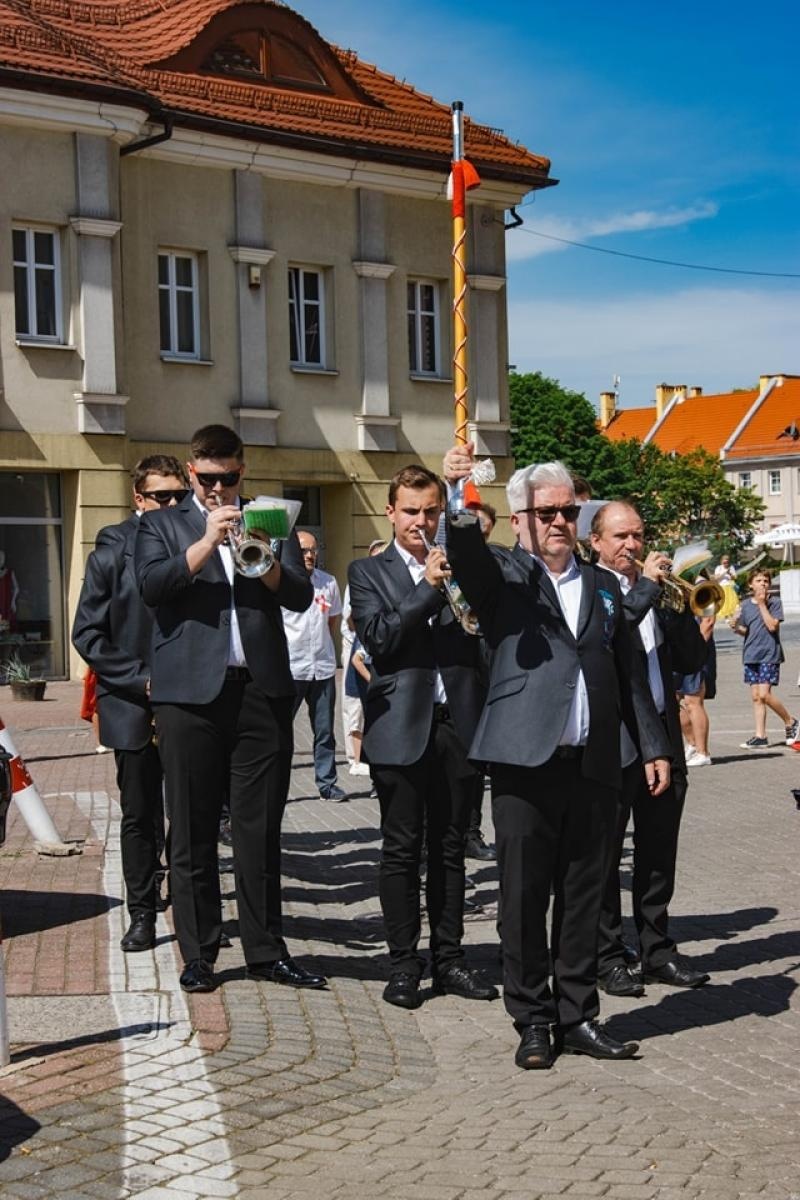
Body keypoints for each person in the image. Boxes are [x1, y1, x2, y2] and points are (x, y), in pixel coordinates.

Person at [443, 442, 671, 1069]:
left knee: (584, 892)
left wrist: (651, 746)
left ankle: (578, 1015)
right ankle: (533, 1019)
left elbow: (626, 671)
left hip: (595, 761)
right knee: (522, 896)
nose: (558, 523)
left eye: (567, 512)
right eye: (545, 513)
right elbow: (463, 552)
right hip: (524, 759)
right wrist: (458, 491)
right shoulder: (504, 576)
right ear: (519, 519)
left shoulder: (601, 586)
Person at [135, 424, 323, 995]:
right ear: (193, 473)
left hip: (261, 691)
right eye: (209, 478)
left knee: (259, 829)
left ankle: (267, 950)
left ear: (243, 470)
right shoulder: (162, 524)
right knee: (190, 830)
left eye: (230, 477)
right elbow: (152, 586)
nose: (219, 487)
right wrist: (204, 543)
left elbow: (295, 593)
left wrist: (260, 556)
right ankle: (200, 954)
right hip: (189, 695)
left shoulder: (268, 517)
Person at [348, 464, 498, 1011]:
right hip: (399, 726)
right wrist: (429, 589)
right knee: (401, 850)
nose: (421, 520)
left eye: (431, 511)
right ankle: (403, 964)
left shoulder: (461, 564)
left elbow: (485, 637)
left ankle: (451, 959)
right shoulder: (368, 573)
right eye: (411, 511)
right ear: (390, 512)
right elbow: (381, 640)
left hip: (456, 723)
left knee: (451, 849)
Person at [591, 502, 710, 997]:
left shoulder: (655, 590)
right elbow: (609, 635)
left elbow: (687, 659)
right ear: (595, 541)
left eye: (638, 536)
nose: (631, 546)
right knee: (604, 854)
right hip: (615, 738)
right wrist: (647, 590)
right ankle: (607, 956)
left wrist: (686, 610)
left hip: (662, 732)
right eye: (620, 537)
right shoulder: (588, 587)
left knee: (659, 850)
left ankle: (657, 948)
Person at [72, 454, 188, 950]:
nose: (171, 504)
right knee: (140, 816)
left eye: (179, 496)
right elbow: (88, 633)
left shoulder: (196, 544)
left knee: (188, 815)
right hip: (134, 703)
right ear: (139, 499)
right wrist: (139, 680)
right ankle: (141, 911)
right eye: (161, 496)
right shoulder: (110, 553)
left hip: (188, 700)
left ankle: (191, 912)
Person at [282, 531, 346, 801]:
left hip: (321, 667)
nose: (310, 555)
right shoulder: (282, 582)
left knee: (324, 730)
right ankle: (278, 784)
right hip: (291, 668)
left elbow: (332, 622)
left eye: (313, 550)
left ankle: (327, 783)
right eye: (304, 550)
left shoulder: (328, 582)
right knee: (281, 731)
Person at [730, 568, 798, 749]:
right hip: (751, 654)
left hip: (769, 653)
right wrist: (735, 626)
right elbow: (746, 631)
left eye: (766, 581)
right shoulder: (745, 605)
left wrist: (761, 604)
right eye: (759, 581)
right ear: (750, 584)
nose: (763, 584)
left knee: (765, 695)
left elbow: (772, 626)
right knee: (756, 697)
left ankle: (790, 721)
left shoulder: (774, 603)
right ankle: (761, 735)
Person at [341, 539, 386, 777]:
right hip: (359, 644)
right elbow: (349, 620)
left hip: (377, 649)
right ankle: (355, 758)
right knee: (355, 710)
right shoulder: (360, 576)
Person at [675, 614, 716, 766]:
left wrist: (696, 650)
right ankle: (693, 744)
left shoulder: (703, 592)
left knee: (693, 701)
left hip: (696, 652)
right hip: (676, 651)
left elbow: (709, 621)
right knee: (672, 701)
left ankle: (703, 752)